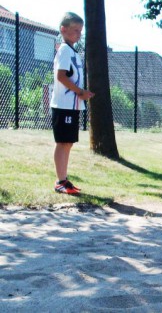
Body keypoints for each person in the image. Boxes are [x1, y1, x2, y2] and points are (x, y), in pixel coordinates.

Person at [50, 12, 94, 195]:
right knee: (63, 142)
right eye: (75, 30)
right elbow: (61, 76)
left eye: (80, 31)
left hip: (72, 105)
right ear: (63, 29)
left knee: (68, 142)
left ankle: (64, 179)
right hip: (63, 105)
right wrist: (80, 92)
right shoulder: (65, 50)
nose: (78, 34)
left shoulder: (72, 51)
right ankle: (60, 181)